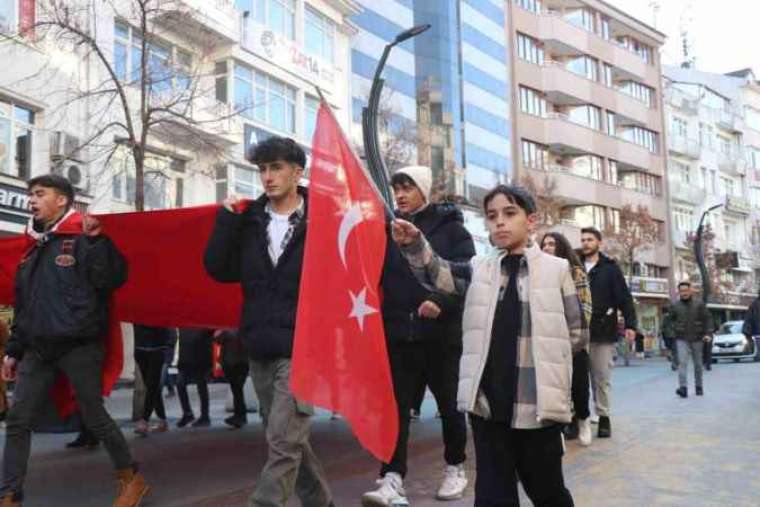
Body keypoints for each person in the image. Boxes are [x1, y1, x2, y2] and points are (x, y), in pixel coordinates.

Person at [392, 184, 580, 507]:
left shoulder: (556, 270)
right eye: (492, 217)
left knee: (548, 491)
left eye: (510, 214)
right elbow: (440, 274)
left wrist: (551, 376)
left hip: (538, 408)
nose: (500, 223)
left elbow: (576, 333)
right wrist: (415, 244)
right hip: (488, 407)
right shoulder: (480, 269)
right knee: (493, 496)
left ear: (530, 220)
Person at [0, 174, 147, 506]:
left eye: (39, 194)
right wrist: (13, 351)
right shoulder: (32, 250)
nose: (31, 201)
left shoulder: (83, 238)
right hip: (38, 350)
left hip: (79, 346)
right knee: (18, 420)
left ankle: (131, 479)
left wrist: (97, 242)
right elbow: (26, 308)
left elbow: (113, 278)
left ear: (61, 200)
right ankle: (10, 494)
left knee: (93, 415)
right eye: (30, 195)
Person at [204, 136, 333, 507]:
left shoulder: (323, 220)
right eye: (262, 169)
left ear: (297, 171)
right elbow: (217, 269)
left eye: (276, 167)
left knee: (282, 440)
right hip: (258, 345)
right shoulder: (248, 220)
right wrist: (226, 222)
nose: (267, 177)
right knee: (290, 439)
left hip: (302, 347)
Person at [362, 166, 476, 506]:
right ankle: (392, 478)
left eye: (407, 187)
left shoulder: (453, 228)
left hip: (442, 337)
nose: (399, 195)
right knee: (395, 411)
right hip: (399, 335)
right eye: (396, 189)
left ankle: (455, 467)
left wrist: (439, 300)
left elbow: (465, 276)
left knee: (450, 409)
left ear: (424, 190)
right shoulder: (386, 231)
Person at [579, 227, 637, 438]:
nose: (585, 243)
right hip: (576, 331)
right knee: (577, 378)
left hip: (602, 331)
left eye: (590, 239)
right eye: (583, 239)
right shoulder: (573, 265)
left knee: (601, 376)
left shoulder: (610, 269)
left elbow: (624, 298)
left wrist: (631, 325)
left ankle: (603, 417)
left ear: (598, 242)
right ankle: (579, 418)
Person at [540, 232, 593, 447]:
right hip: (548, 337)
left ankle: (583, 419)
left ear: (561, 247)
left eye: (552, 244)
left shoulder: (576, 272)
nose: (547, 248)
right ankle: (558, 431)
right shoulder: (538, 273)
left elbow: (585, 307)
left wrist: (576, 336)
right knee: (554, 387)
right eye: (543, 244)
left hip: (573, 337)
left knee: (579, 385)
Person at [668, 282, 712, 397]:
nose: (684, 293)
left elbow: (707, 319)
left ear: (690, 291)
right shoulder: (675, 305)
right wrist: (672, 333)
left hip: (697, 338)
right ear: (679, 292)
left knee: (698, 364)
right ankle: (683, 388)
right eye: (681, 291)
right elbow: (669, 321)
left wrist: (708, 333)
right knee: (682, 363)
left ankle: (699, 386)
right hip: (681, 338)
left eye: (686, 291)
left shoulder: (699, 304)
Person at [133, 325, 174, 435]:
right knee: (152, 387)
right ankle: (163, 420)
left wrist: (169, 351)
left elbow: (170, 328)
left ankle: (144, 420)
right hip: (140, 348)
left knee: (152, 385)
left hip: (157, 349)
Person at [175, 328, 213, 428]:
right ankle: (188, 413)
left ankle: (205, 416)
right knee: (180, 384)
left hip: (200, 358)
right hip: (185, 358)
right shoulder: (183, 322)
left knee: (201, 385)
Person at [215, 329, 250, 429]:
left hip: (236, 363)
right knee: (237, 390)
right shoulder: (237, 329)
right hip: (237, 362)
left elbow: (218, 339)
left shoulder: (230, 331)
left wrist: (221, 332)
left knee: (237, 390)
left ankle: (240, 416)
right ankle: (239, 415)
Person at [741, 290, 760, 355]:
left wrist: (747, 332)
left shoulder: (754, 305)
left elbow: (748, 319)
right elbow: (749, 319)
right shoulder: (754, 305)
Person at [661, 307, 678, 371]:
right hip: (674, 336)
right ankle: (674, 364)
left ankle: (669, 355)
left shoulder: (665, 318)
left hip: (667, 335)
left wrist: (663, 335)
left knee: (669, 348)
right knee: (675, 350)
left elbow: (663, 327)